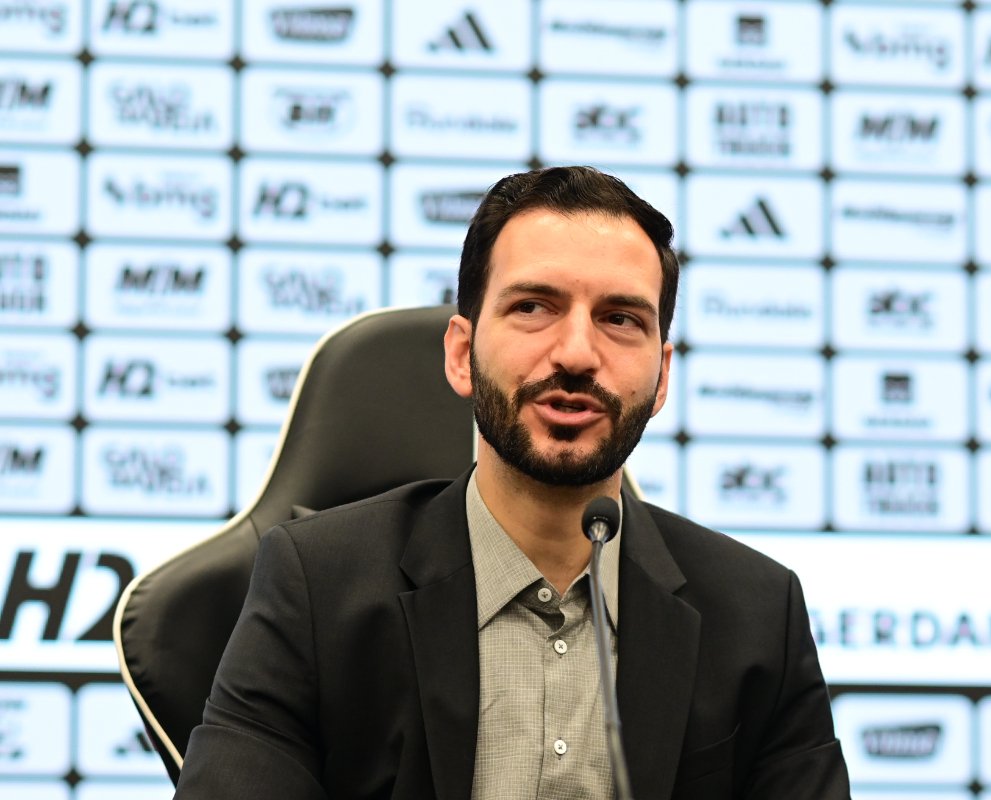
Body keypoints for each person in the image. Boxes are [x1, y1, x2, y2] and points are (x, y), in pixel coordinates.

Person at [173, 166, 850, 799]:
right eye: (533, 307)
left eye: (620, 319)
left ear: (662, 376)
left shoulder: (759, 617)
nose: (577, 354)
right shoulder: (315, 587)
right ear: (461, 355)